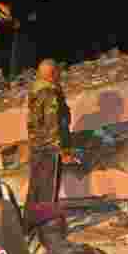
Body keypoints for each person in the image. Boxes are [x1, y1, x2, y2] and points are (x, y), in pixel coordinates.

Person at [25, 59, 74, 222]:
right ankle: (46, 227)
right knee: (48, 191)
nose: (60, 75)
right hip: (49, 149)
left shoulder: (36, 91)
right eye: (58, 72)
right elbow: (53, 124)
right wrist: (62, 150)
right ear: (52, 74)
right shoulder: (49, 93)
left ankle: (29, 223)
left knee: (36, 189)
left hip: (37, 147)